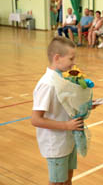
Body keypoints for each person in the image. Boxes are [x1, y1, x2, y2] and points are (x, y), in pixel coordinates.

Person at [31, 37, 83, 185]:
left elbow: (65, 104)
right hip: (56, 144)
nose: (74, 62)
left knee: (68, 177)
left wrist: (85, 105)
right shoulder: (47, 84)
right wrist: (66, 126)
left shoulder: (63, 78)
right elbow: (35, 119)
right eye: (71, 58)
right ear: (57, 58)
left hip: (68, 139)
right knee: (57, 182)